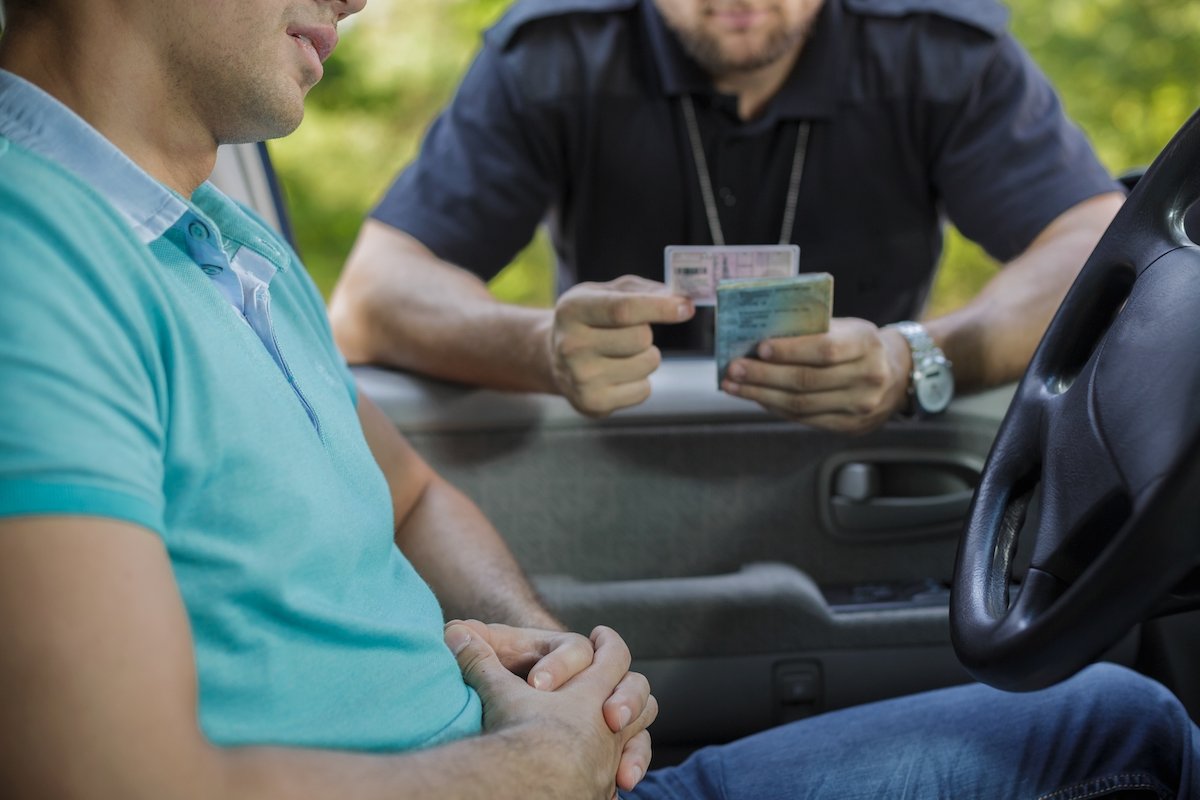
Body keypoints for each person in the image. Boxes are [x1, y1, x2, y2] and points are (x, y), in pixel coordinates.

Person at [1, 0, 1197, 798]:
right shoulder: (32, 253)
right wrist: (529, 766)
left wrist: (562, 667)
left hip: (522, 761)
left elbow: (411, 492)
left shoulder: (224, 236)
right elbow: (107, 778)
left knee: (1118, 714)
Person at [328, 0, 1125, 430]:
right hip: (616, 463)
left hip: (864, 465)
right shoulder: (550, 52)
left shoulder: (940, 46)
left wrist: (915, 358)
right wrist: (540, 348)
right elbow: (373, 296)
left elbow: (1101, 248)